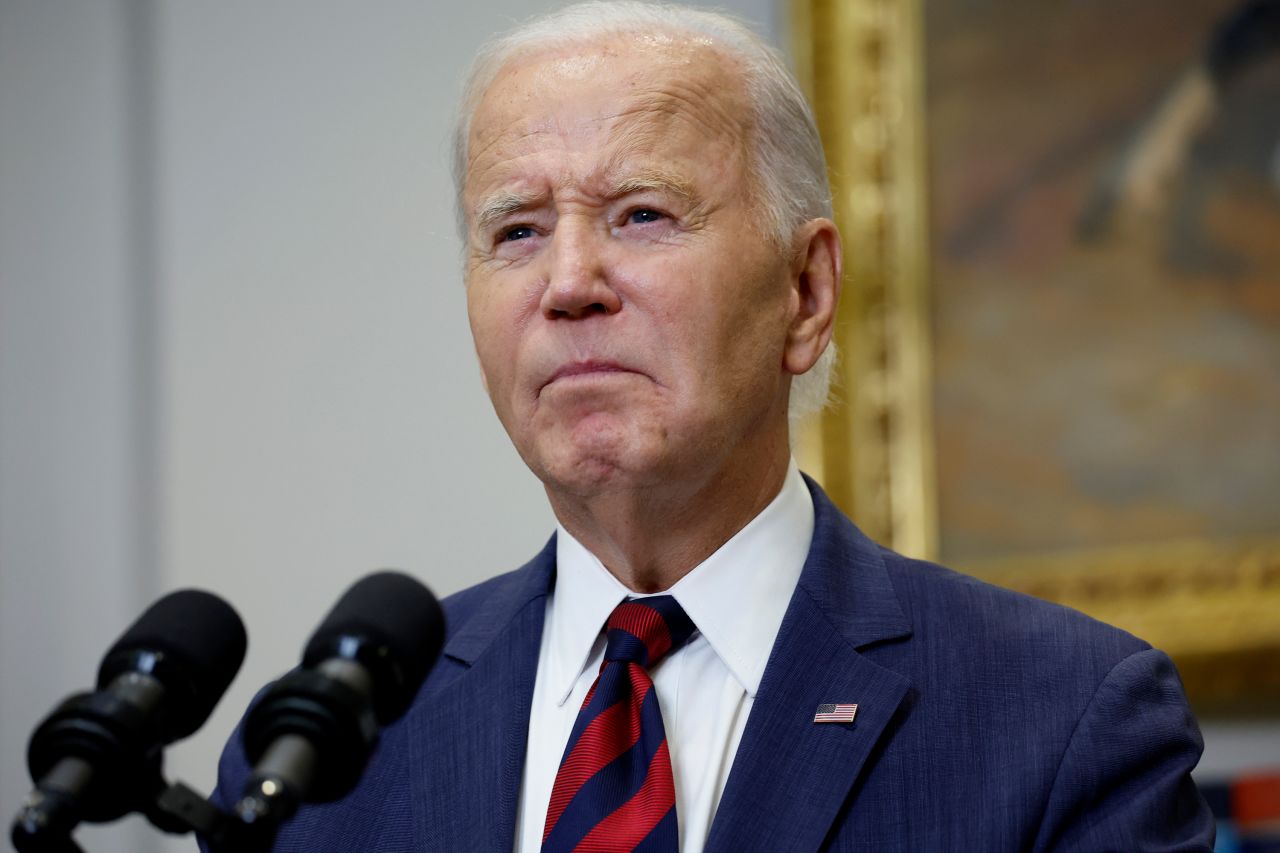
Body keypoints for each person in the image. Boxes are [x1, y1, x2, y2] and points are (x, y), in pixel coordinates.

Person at [213, 2, 1215, 849]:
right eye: (515, 230)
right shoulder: (321, 750)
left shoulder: (1066, 718)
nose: (566, 284)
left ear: (803, 290)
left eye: (641, 214)